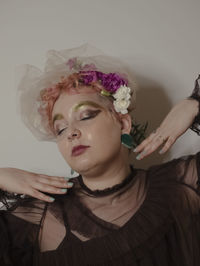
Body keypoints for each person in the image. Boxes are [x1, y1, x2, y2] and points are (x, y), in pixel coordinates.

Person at [0, 44, 200, 266]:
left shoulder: (181, 185)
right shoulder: (38, 217)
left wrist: (193, 104)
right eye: (60, 129)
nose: (71, 133)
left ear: (123, 123)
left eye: (85, 116)